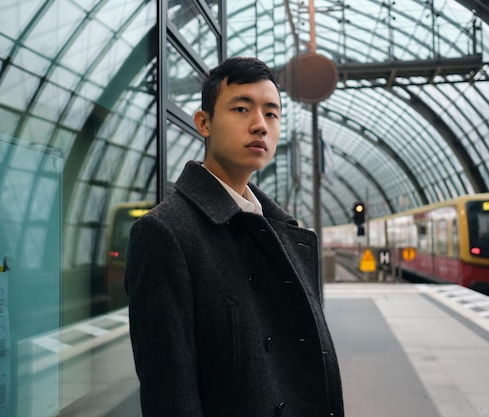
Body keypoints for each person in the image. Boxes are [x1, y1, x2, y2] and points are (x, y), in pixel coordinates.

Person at [124, 56, 344, 417]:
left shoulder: (283, 230)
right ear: (204, 122)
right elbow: (170, 391)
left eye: (271, 114)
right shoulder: (166, 233)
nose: (260, 125)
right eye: (242, 108)